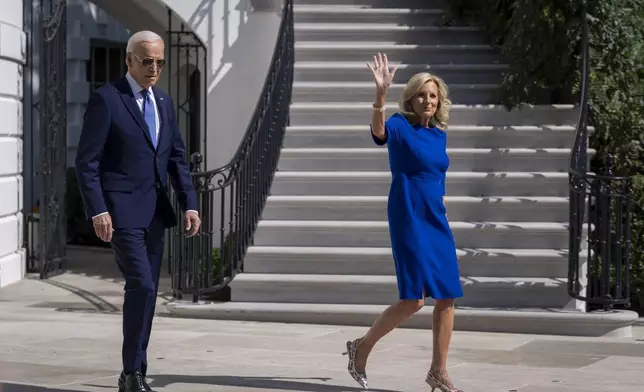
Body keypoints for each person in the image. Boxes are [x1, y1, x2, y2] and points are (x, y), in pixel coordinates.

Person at [75, 30, 200, 392]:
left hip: (156, 213)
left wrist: (190, 202)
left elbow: (177, 158)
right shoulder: (107, 100)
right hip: (121, 213)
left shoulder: (163, 101)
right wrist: (98, 210)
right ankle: (131, 372)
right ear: (129, 59)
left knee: (145, 293)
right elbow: (87, 162)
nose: (154, 68)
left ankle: (135, 372)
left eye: (160, 62)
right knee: (142, 285)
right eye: (147, 61)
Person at [343, 53, 464, 392]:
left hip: (435, 217)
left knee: (448, 293)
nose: (427, 100)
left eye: (433, 95)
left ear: (439, 100)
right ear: (411, 98)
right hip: (408, 213)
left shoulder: (439, 134)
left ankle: (438, 371)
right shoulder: (399, 124)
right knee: (414, 299)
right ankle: (361, 347)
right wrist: (380, 95)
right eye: (422, 94)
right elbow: (378, 132)